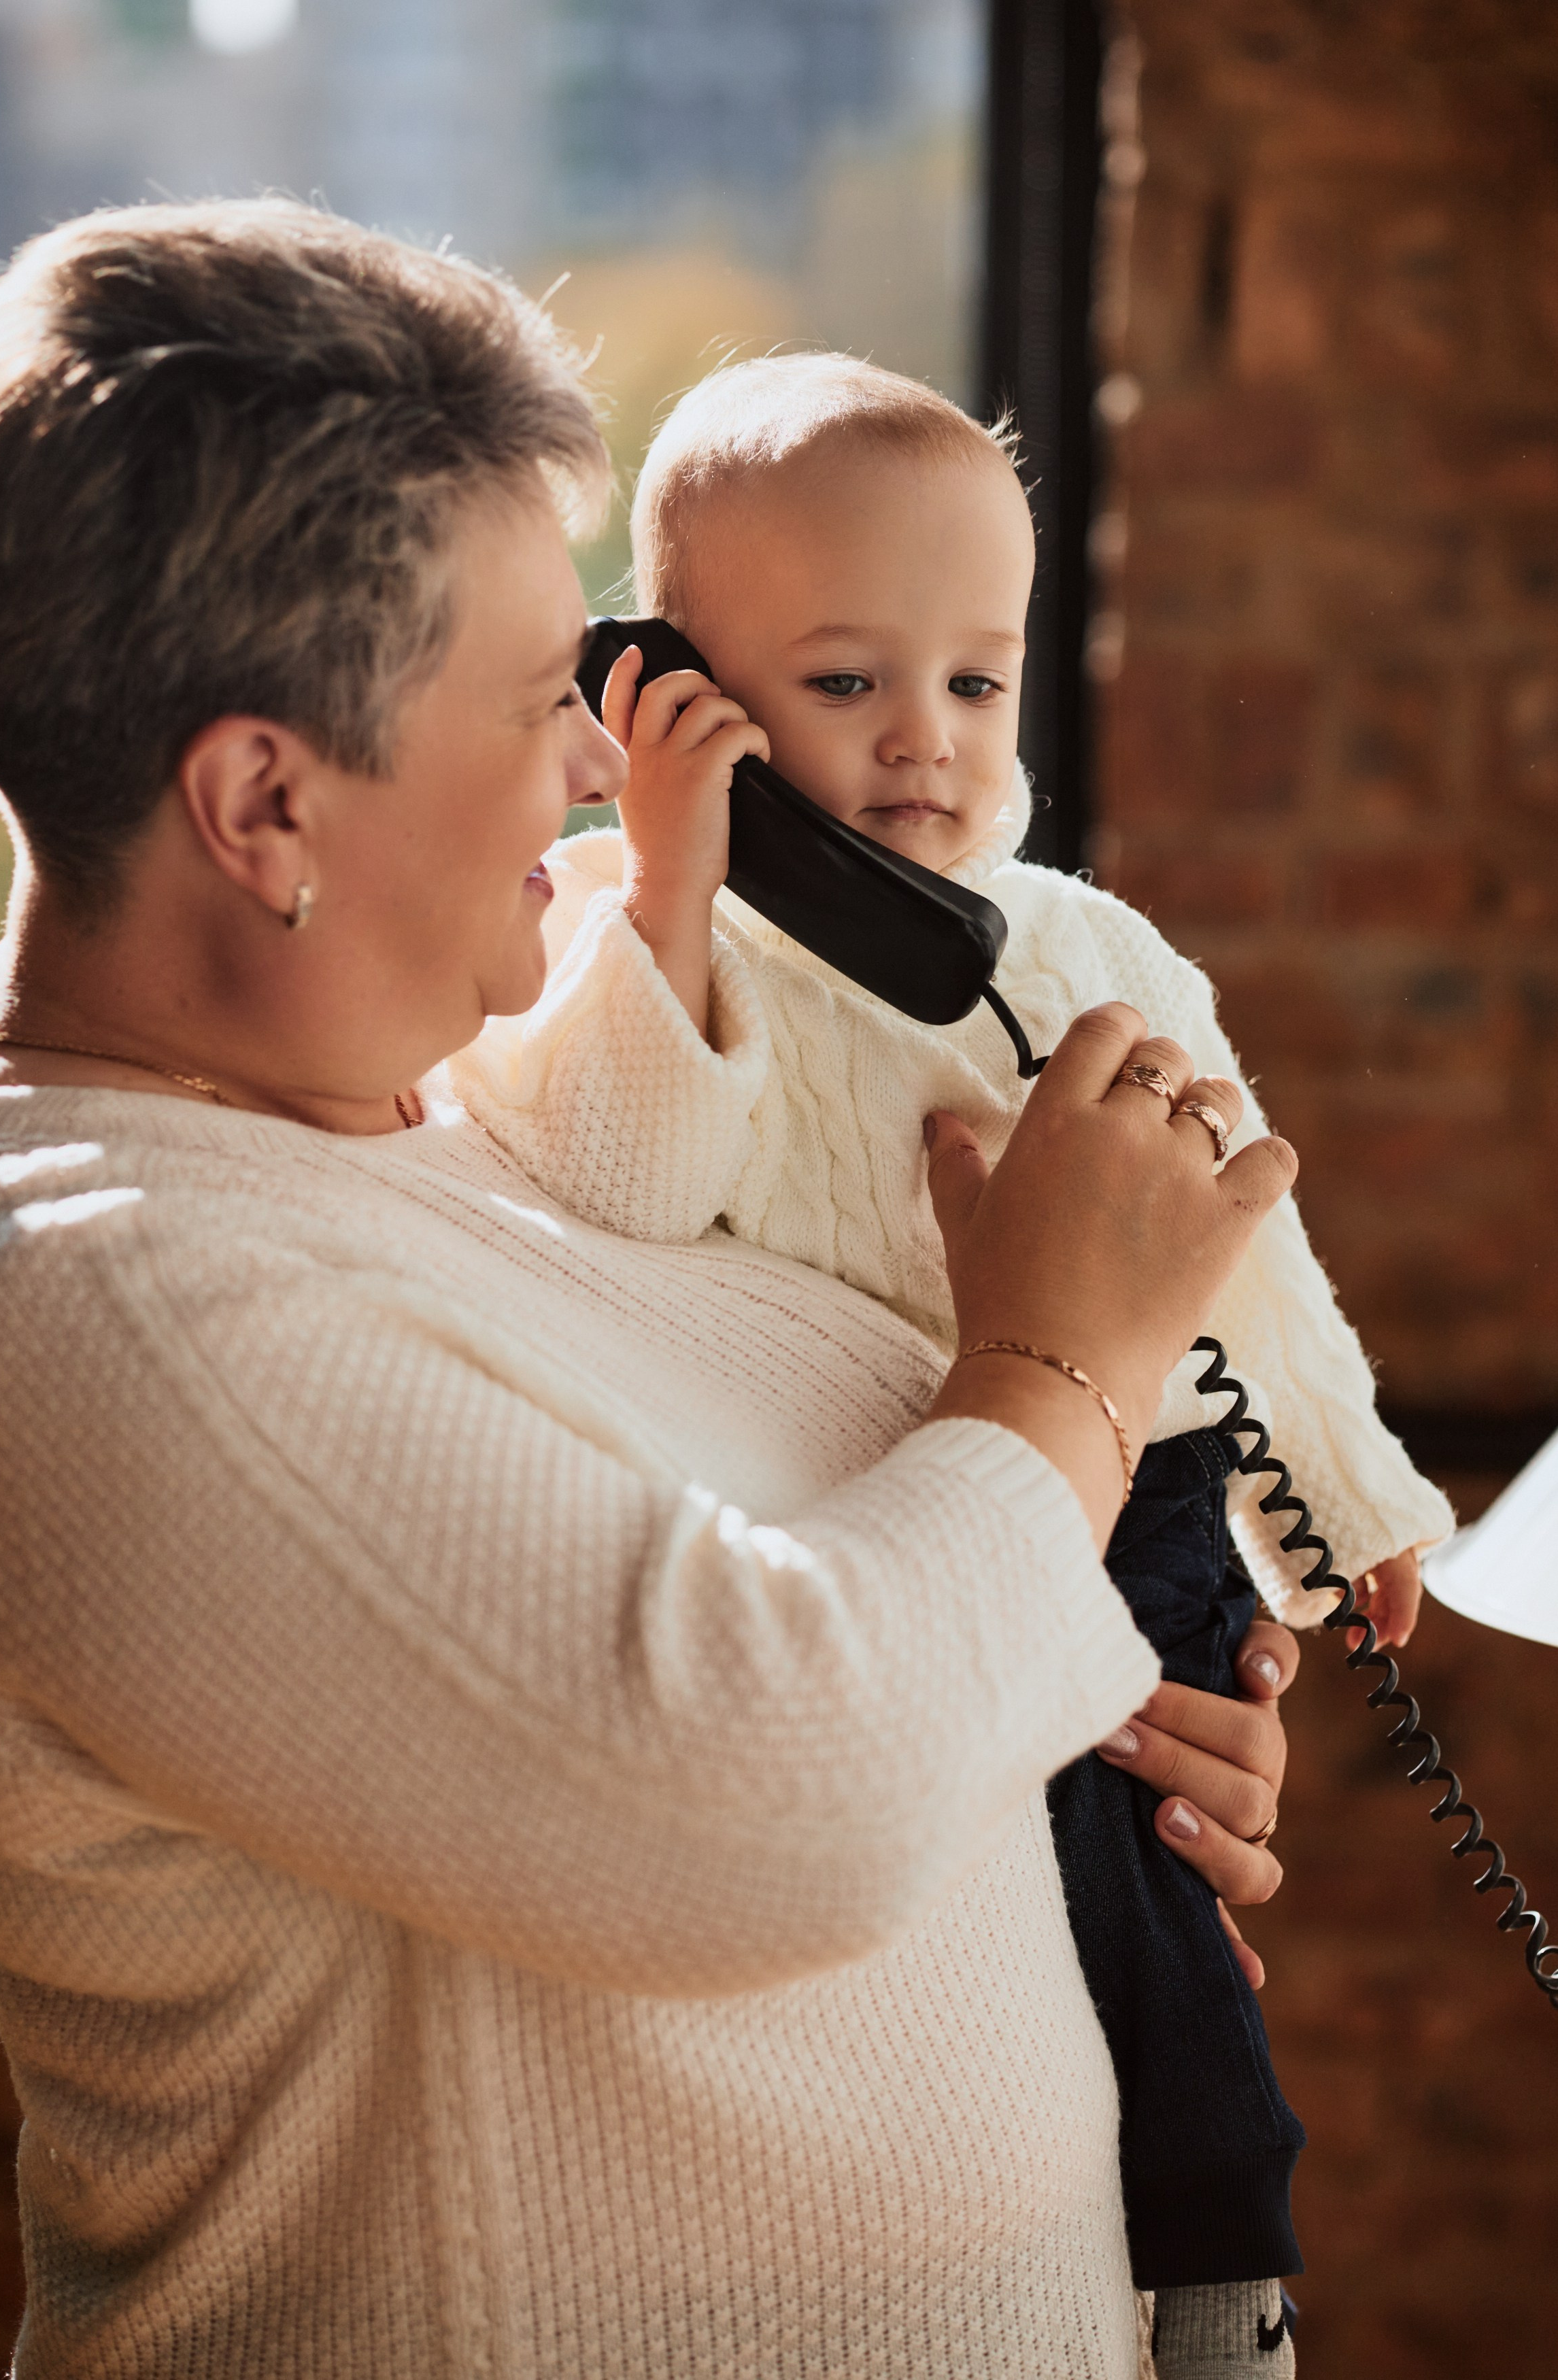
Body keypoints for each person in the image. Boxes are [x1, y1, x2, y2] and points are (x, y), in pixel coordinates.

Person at [0, 200, 1300, 2380]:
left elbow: (863, 1629)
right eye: (532, 698)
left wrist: (1099, 1716)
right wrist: (1063, 1364)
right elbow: (778, 1786)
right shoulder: (99, 1306)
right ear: (263, 804)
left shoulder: (464, 1102)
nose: (604, 760)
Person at [454, 353, 1457, 2379]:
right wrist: (669, 876)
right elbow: (624, 1178)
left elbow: (1240, 1255)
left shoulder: (1087, 946)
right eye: (843, 684)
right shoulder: (621, 939)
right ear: (672, 686)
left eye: (976, 682)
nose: (926, 739)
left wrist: (1341, 1510)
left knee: (1172, 1966)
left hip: (1143, 1499)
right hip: (870, 1536)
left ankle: (1219, 2302)